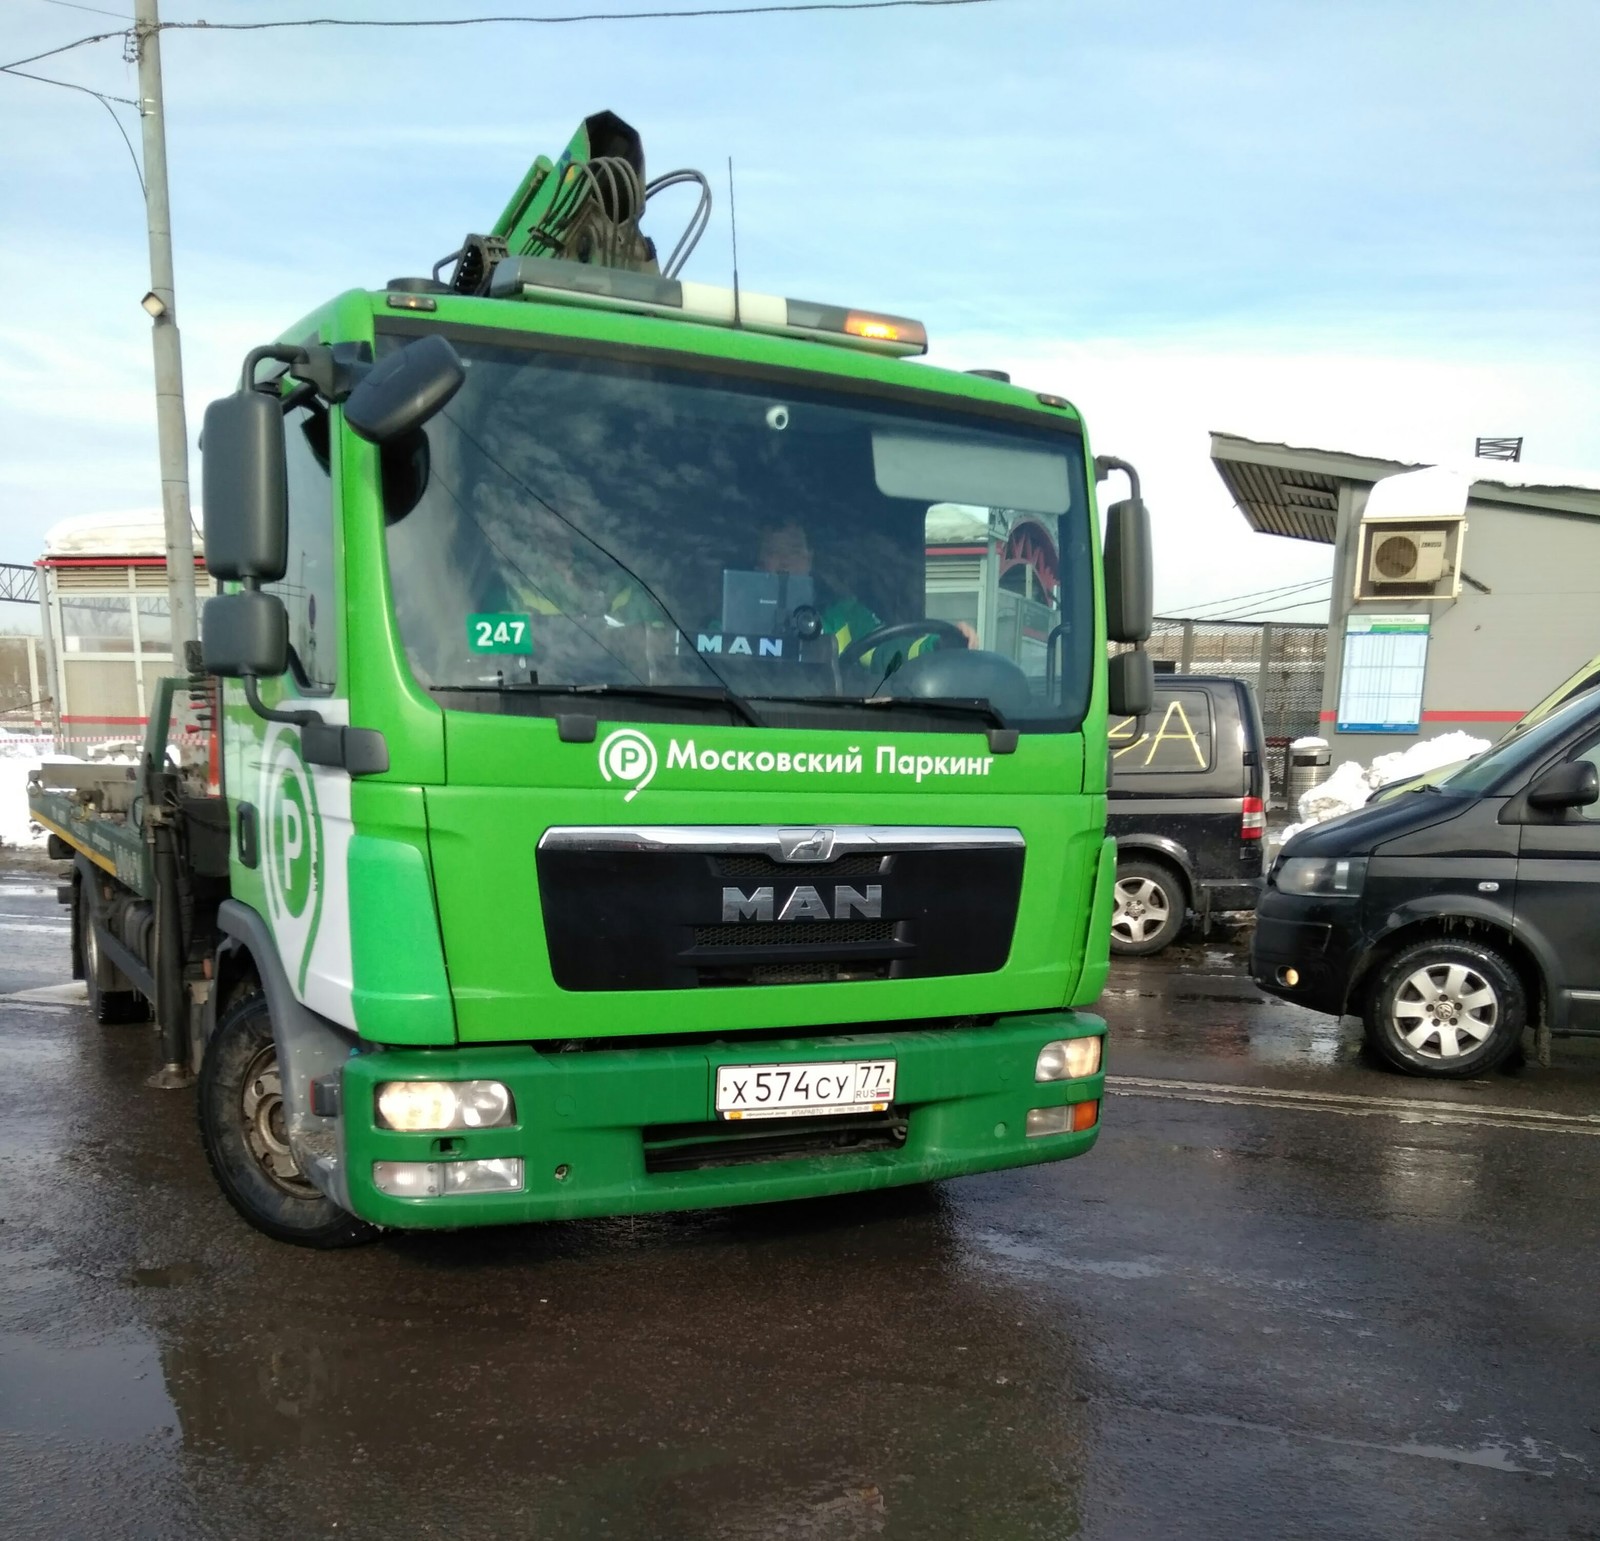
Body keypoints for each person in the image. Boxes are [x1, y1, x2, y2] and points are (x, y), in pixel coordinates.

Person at [757, 518, 973, 664]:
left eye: (794, 551)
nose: (784, 562)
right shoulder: (729, 616)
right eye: (774, 551)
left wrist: (938, 645)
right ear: (759, 562)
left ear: (809, 560)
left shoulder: (845, 617)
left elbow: (888, 652)